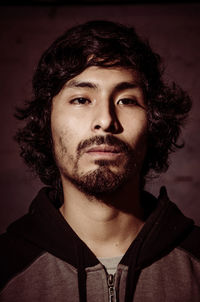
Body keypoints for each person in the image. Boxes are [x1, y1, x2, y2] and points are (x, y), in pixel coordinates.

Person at [0, 19, 200, 302]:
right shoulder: (6, 269)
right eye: (81, 99)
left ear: (153, 123)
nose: (106, 120)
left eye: (126, 100)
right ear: (47, 122)